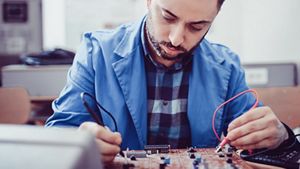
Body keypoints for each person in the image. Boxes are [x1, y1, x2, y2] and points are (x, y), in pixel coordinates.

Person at [46, 0, 290, 163]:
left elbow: (260, 146)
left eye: (197, 26)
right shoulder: (96, 51)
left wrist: (281, 136)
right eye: (167, 17)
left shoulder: (227, 66)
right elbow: (56, 137)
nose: (176, 39)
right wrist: (79, 141)